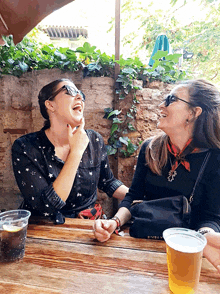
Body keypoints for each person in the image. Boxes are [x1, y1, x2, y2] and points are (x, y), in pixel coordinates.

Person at [93, 79, 220, 274]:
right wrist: (114, 222)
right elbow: (134, 196)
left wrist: (204, 236)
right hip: (141, 251)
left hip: (185, 257)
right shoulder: (150, 148)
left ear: (193, 113)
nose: (161, 105)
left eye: (171, 99)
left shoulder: (215, 158)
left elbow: (211, 218)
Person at [12, 78, 128, 224]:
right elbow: (47, 206)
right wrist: (76, 152)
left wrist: (139, 198)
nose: (79, 97)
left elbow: (107, 181)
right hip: (44, 229)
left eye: (81, 94)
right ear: (50, 104)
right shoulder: (26, 147)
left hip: (87, 226)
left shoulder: (94, 140)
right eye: (71, 91)